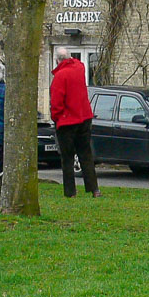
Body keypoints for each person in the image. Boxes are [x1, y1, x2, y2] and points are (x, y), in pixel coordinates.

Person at [49, 52, 99, 198]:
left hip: (67, 121)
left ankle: (70, 192)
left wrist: (56, 118)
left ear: (58, 60)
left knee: (67, 158)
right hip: (84, 117)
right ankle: (94, 189)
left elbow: (56, 102)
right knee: (86, 155)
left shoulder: (60, 76)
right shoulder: (80, 68)